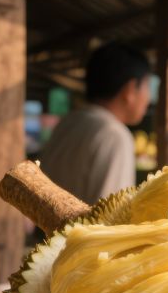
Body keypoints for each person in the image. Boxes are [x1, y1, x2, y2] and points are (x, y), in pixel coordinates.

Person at [39, 43, 150, 205]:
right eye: (147, 87)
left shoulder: (68, 122)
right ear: (130, 90)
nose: (148, 99)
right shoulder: (114, 135)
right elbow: (111, 220)